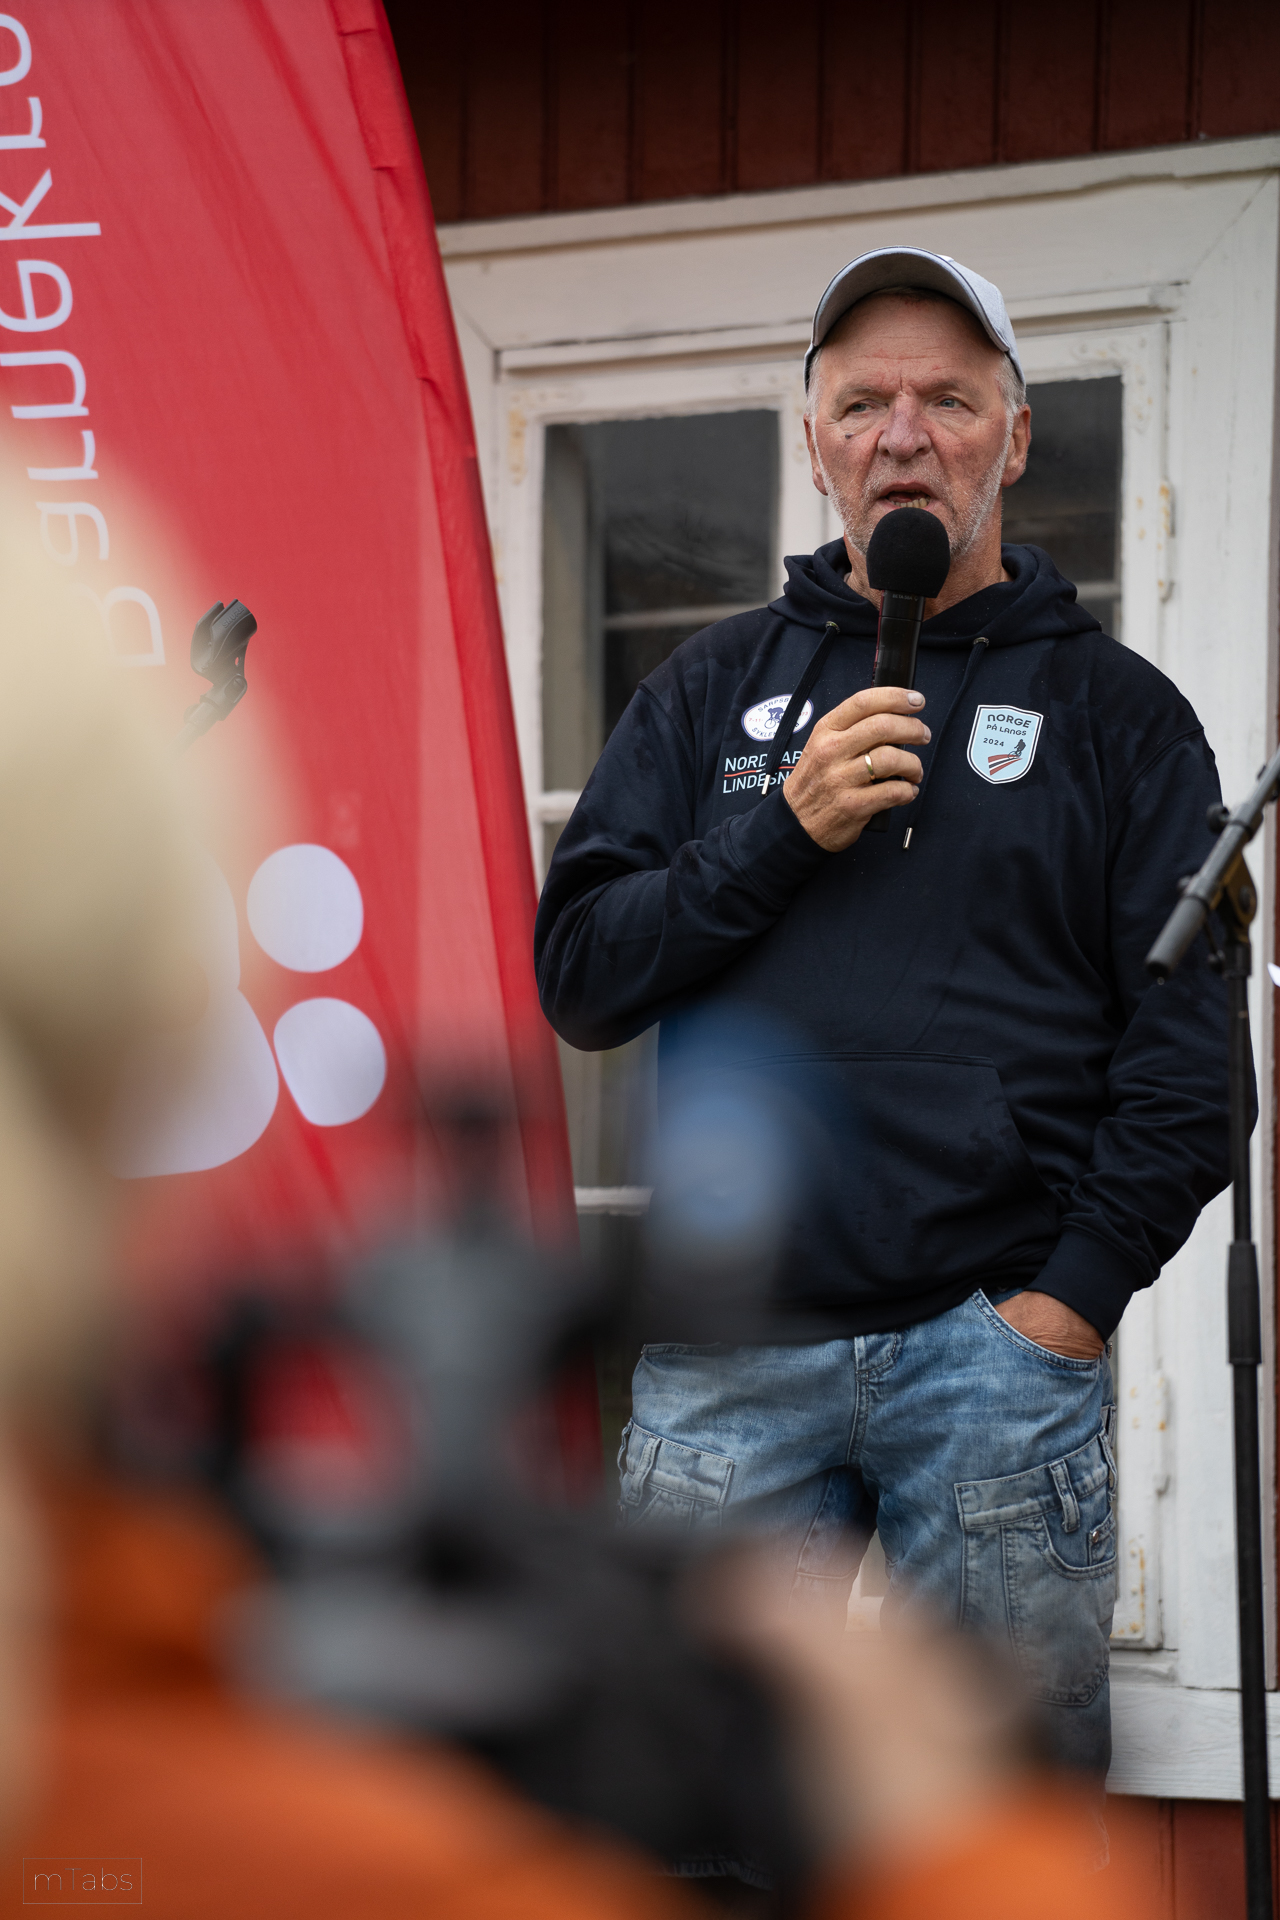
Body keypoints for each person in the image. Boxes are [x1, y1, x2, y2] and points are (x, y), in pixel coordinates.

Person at [534, 247, 1232, 1794]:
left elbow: (1193, 1066)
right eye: (862, 403)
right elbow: (581, 975)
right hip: (729, 1358)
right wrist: (779, 830)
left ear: (1016, 437)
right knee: (679, 1823)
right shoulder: (707, 691)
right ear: (816, 442)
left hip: (992, 1364)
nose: (903, 435)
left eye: (948, 401)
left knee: (990, 1839)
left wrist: (1067, 1303)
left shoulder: (1120, 719)